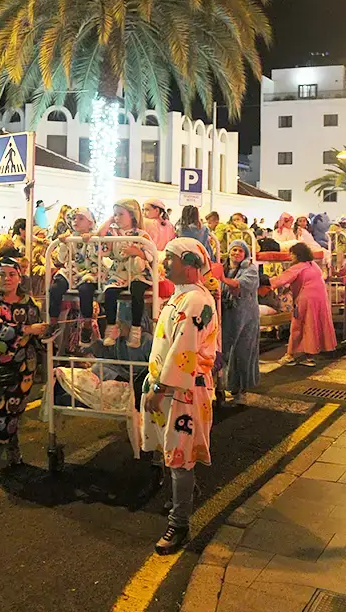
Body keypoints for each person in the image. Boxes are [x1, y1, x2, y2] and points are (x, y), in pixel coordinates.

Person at [140, 237, 218, 555]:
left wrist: (159, 389)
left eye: (168, 258)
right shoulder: (181, 297)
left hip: (182, 391)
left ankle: (179, 523)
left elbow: (182, 352)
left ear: (188, 263)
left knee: (179, 456)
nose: (163, 263)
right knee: (173, 455)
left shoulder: (195, 302)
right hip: (173, 389)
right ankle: (183, 495)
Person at [0, 256, 46, 486]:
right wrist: (27, 329)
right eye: (2, 274)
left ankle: (11, 448)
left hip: (20, 368)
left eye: (12, 274)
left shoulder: (30, 304)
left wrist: (41, 335)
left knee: (11, 412)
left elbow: (35, 336)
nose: (7, 279)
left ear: (19, 277)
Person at [268, 242, 336, 367]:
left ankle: (290, 355)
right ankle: (310, 356)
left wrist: (264, 282)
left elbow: (281, 280)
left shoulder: (298, 266)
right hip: (320, 298)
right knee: (313, 324)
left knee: (298, 325)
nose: (290, 257)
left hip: (306, 299)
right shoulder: (313, 264)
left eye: (292, 254)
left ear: (297, 254)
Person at [99, 198, 155, 348]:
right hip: (119, 271)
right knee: (110, 292)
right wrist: (110, 220)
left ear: (132, 215)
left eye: (120, 214)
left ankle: (136, 329)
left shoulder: (141, 234)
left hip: (137, 271)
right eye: (115, 215)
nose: (117, 218)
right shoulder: (113, 233)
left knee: (137, 291)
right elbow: (100, 237)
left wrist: (137, 252)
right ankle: (111, 326)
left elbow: (151, 254)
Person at [48, 207, 99, 347]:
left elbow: (98, 257)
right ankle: (53, 322)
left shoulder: (96, 236)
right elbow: (61, 258)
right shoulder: (69, 236)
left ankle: (87, 325)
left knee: (85, 289)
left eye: (81, 218)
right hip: (71, 271)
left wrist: (91, 241)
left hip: (89, 270)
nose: (76, 221)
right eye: (74, 218)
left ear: (90, 222)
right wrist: (64, 244)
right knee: (55, 287)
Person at [220, 240, 260, 400]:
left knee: (243, 350)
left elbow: (240, 285)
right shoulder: (224, 269)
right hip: (227, 314)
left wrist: (221, 279)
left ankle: (241, 385)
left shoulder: (250, 269)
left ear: (246, 254)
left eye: (240, 251)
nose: (236, 253)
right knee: (225, 350)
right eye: (234, 250)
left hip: (246, 316)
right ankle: (225, 384)